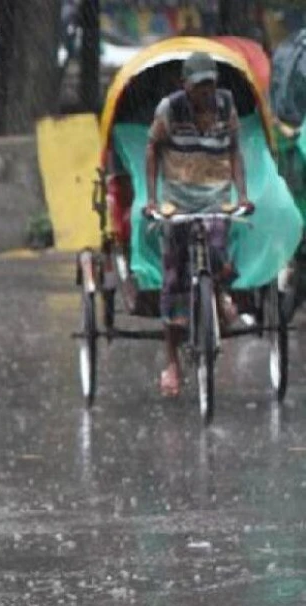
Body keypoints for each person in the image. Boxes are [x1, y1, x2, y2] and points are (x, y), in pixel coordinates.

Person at [144, 51, 254, 398]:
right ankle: (172, 363)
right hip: (178, 201)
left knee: (218, 251)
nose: (206, 92)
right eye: (199, 86)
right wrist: (152, 199)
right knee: (174, 278)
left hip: (216, 197)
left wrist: (242, 194)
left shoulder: (226, 105)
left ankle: (219, 295)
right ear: (185, 86)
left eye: (210, 85)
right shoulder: (169, 110)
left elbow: (234, 150)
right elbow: (152, 149)